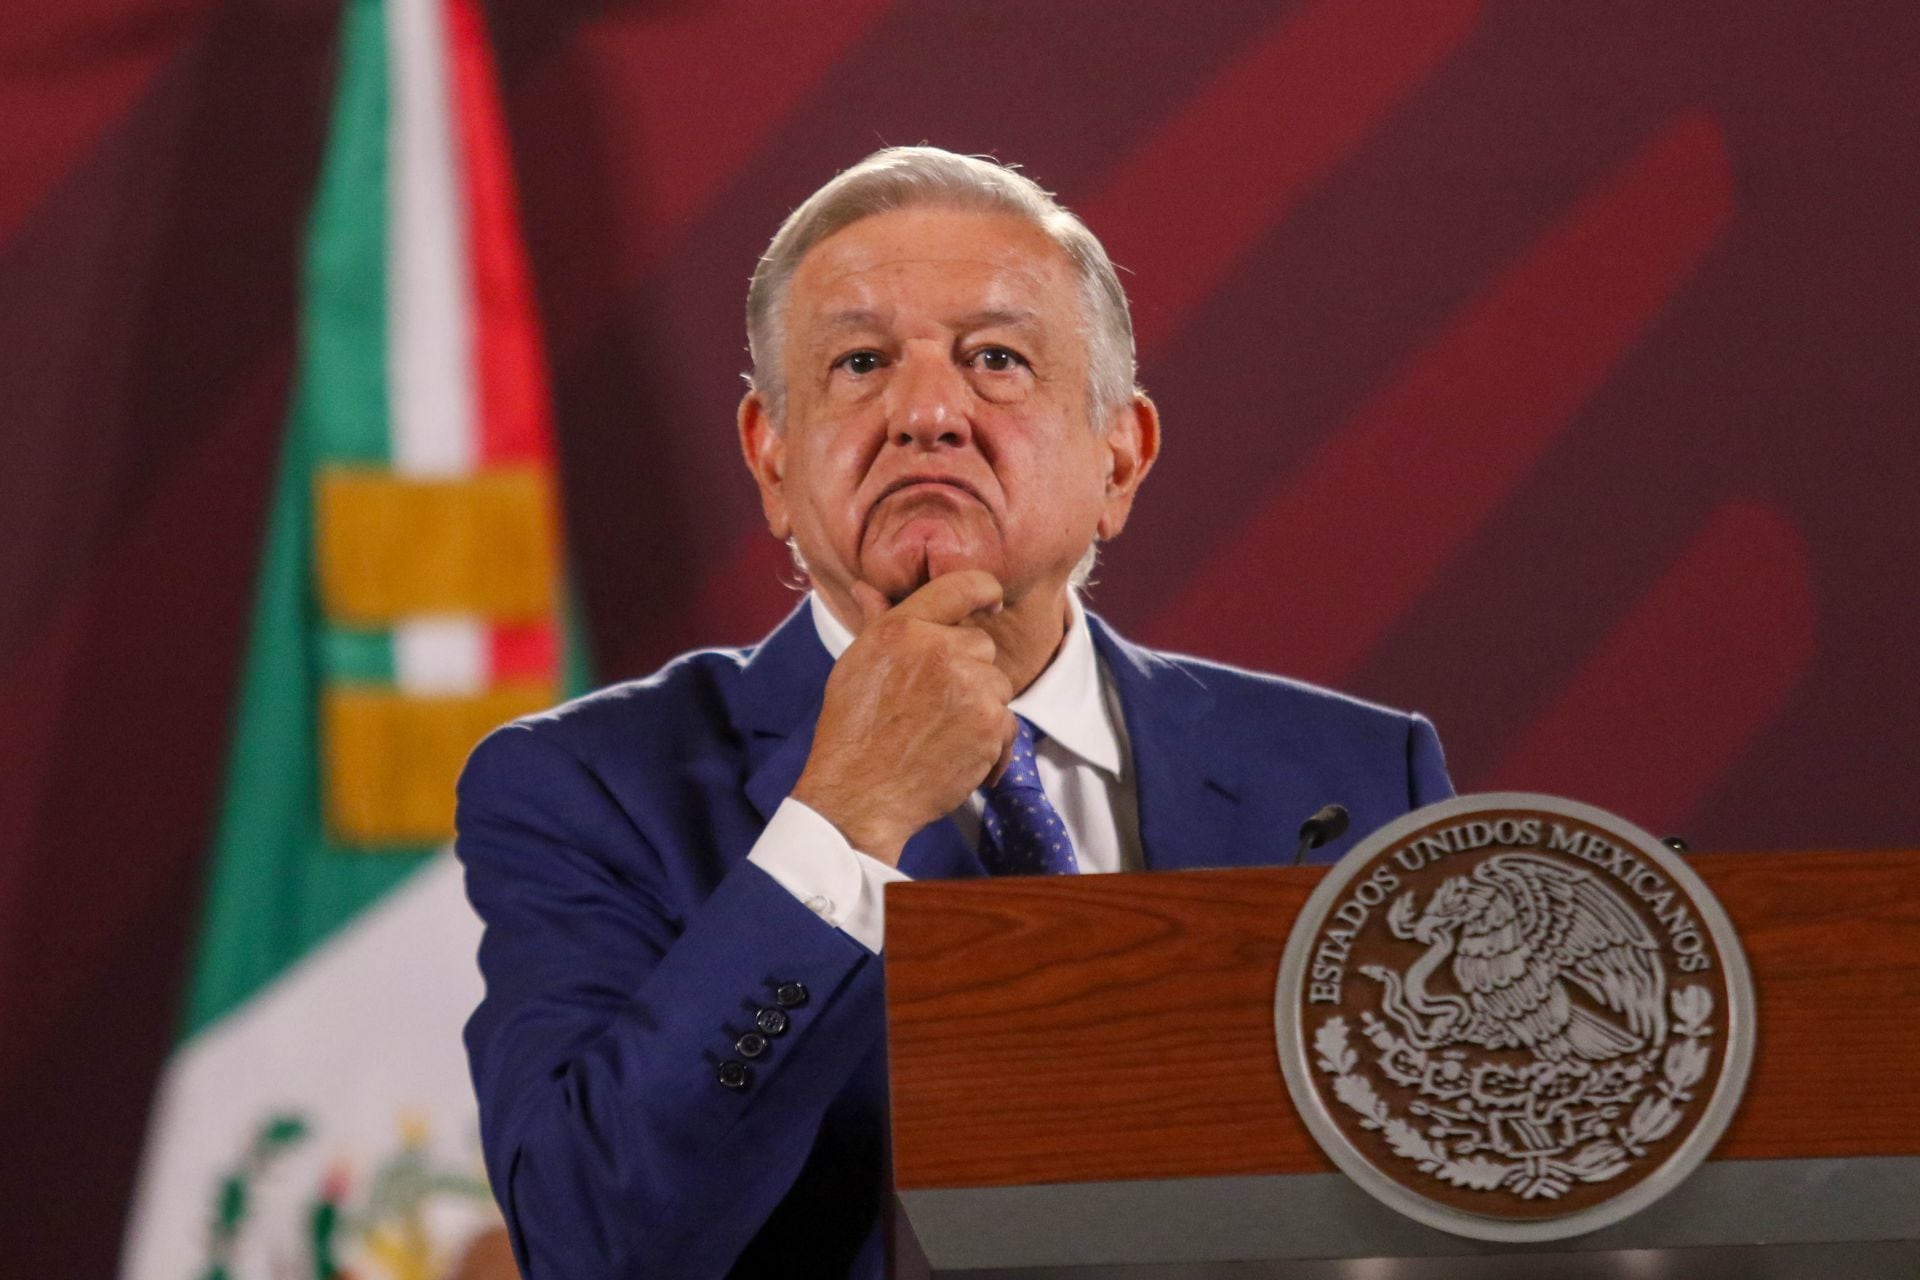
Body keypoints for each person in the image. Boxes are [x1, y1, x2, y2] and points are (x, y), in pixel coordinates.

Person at [455, 146, 1452, 1280]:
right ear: (772, 459)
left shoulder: (1364, 777)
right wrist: (843, 817)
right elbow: (594, 1242)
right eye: (862, 361)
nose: (927, 410)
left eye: (996, 358)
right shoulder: (583, 790)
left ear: (1120, 456)